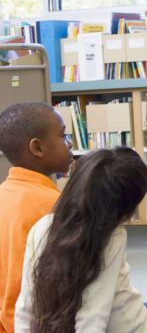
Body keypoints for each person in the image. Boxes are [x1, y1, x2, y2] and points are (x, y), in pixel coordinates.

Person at [15, 147, 147, 332]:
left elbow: (25, 309)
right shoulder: (111, 238)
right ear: (125, 212)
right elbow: (92, 321)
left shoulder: (42, 226)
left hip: (132, 315)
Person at [0, 102, 73, 333]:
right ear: (37, 148)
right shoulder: (54, 206)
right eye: (63, 136)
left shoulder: (3, 194)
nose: (69, 143)